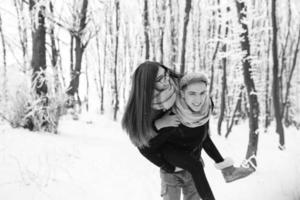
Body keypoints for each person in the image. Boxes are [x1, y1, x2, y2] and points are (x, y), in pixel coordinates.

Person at [122, 61, 253, 200]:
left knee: (203, 135)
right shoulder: (146, 106)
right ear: (148, 85)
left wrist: (203, 104)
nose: (167, 79)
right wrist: (158, 125)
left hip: (190, 151)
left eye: (166, 74)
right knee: (194, 163)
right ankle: (226, 171)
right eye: (160, 79)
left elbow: (194, 88)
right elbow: (142, 144)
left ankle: (228, 170)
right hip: (168, 153)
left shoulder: (176, 85)